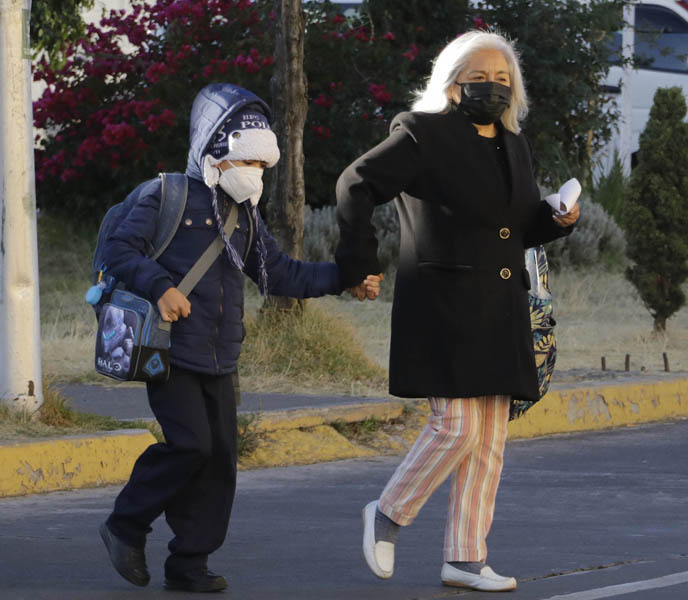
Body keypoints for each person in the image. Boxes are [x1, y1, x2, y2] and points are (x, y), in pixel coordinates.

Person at [98, 83, 380, 593]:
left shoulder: (244, 217)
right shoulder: (165, 196)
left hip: (222, 356)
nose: (256, 176)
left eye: (264, 167)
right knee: (190, 446)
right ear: (213, 154)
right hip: (169, 351)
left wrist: (346, 278)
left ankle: (188, 564)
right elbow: (119, 250)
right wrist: (160, 287)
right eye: (247, 163)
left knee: (221, 458)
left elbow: (284, 274)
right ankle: (125, 524)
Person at [335, 31, 580, 592]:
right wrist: (357, 261)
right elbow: (356, 183)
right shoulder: (422, 134)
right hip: (443, 304)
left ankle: (466, 558)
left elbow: (514, 226)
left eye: (502, 79)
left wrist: (557, 219)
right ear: (451, 83)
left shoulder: (513, 143)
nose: (492, 87)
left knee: (490, 439)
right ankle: (388, 513)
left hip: (499, 307)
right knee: (455, 427)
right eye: (479, 77)